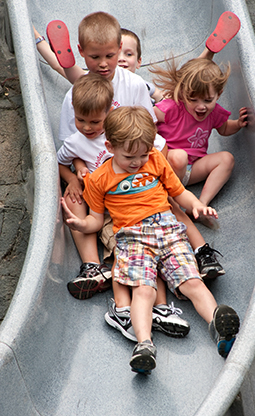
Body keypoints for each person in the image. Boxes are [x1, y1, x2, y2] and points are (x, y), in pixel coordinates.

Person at [37, 12, 226, 295]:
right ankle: (92, 266)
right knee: (71, 197)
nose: (103, 64)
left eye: (110, 56)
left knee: (165, 198)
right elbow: (69, 146)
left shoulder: (134, 85)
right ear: (82, 55)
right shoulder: (75, 96)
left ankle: (199, 250)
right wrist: (74, 175)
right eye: (95, 57)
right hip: (101, 179)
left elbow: (149, 133)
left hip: (136, 173)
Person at [61, 106, 240, 374]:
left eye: (143, 155)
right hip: (132, 237)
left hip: (168, 229)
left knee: (192, 281)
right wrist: (81, 223)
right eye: (130, 156)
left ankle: (218, 325)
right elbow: (97, 220)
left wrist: (197, 206)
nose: (137, 162)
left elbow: (179, 194)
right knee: (144, 290)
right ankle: (144, 344)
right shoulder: (99, 179)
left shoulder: (155, 160)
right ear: (110, 146)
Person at [57, 72, 191, 339]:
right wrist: (74, 177)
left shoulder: (122, 136)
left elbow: (153, 155)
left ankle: (158, 307)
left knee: (147, 242)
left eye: (94, 121)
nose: (86, 126)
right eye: (80, 120)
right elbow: (63, 160)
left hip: (134, 206)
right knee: (121, 240)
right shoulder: (77, 141)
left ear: (109, 112)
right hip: (104, 205)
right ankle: (99, 275)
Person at [152, 58, 248, 221]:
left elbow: (223, 128)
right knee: (179, 156)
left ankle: (200, 204)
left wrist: (238, 124)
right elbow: (146, 116)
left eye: (207, 100)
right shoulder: (172, 108)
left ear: (218, 94)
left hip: (193, 169)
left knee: (226, 159)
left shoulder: (215, 112)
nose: (201, 106)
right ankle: (172, 199)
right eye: (193, 100)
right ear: (182, 94)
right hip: (168, 167)